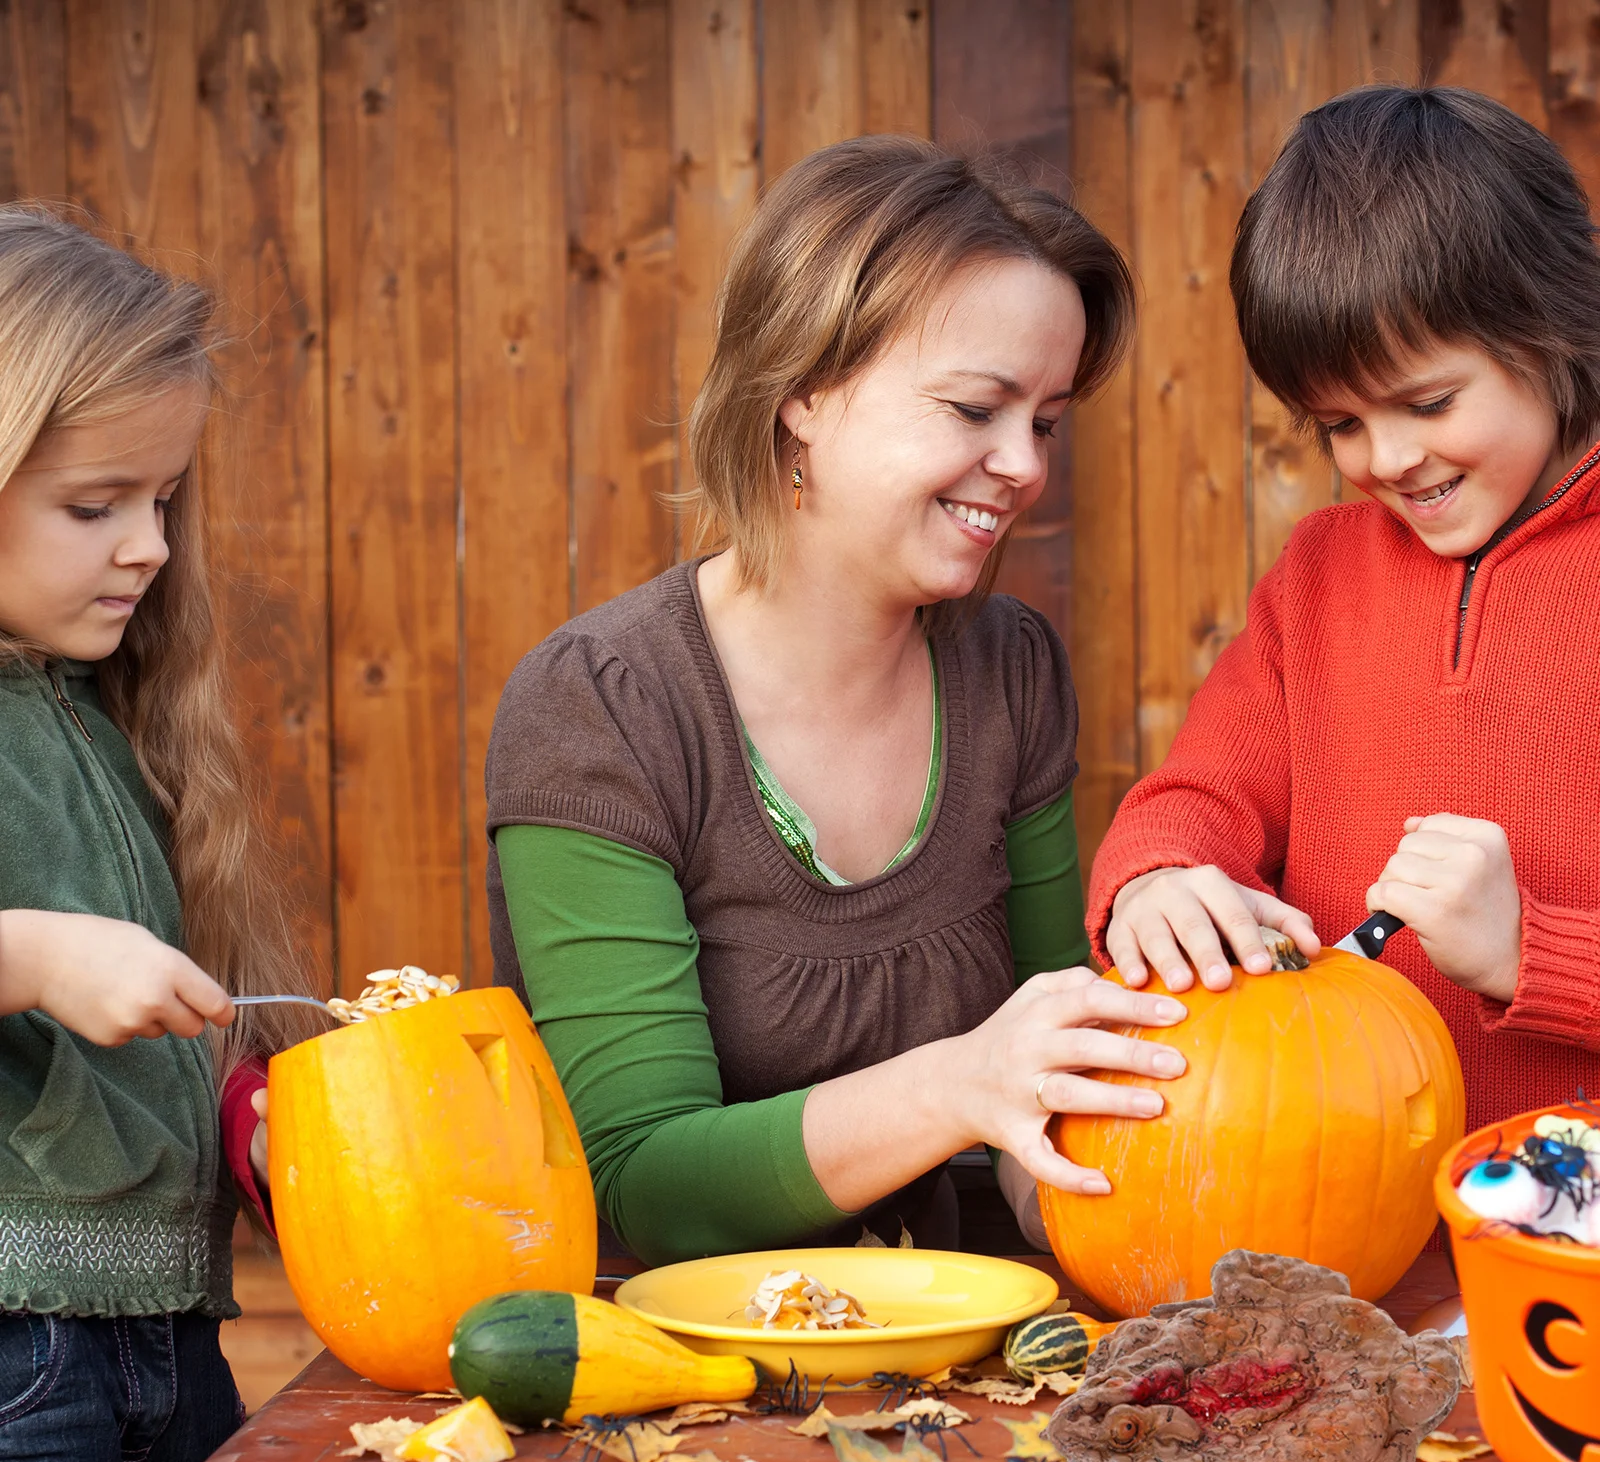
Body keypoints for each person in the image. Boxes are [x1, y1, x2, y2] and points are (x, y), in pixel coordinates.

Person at [486, 136, 1190, 1266]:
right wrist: (956, 1085)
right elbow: (642, 1183)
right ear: (803, 392)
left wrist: (1144, 1209)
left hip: (957, 1324)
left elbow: (1052, 1082)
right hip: (667, 1348)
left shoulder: (1009, 669)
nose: (1025, 465)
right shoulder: (601, 706)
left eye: (1046, 421)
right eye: (976, 408)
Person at [1094, 86, 1600, 1133]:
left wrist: (1530, 952)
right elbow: (1195, 796)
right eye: (1339, 424)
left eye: (1428, 403)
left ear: (1553, 325)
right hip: (1338, 1199)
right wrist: (1159, 880)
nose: (1390, 458)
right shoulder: (1317, 578)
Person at [0, 207, 311, 1462]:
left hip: (173, 1350)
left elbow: (136, 1065)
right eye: (95, 507)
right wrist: (31, 955)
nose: (150, 548)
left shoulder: (106, 717)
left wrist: (253, 1118)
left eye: (164, 501)